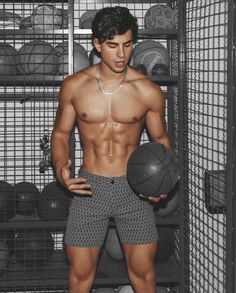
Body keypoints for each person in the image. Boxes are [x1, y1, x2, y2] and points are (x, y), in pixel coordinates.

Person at [51, 6, 172, 293]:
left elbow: (162, 141)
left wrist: (164, 182)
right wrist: (60, 168)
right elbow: (60, 133)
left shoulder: (148, 91)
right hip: (88, 186)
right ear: (97, 44)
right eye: (112, 45)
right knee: (80, 277)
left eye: (127, 45)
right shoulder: (74, 87)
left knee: (144, 276)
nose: (121, 54)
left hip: (135, 189)